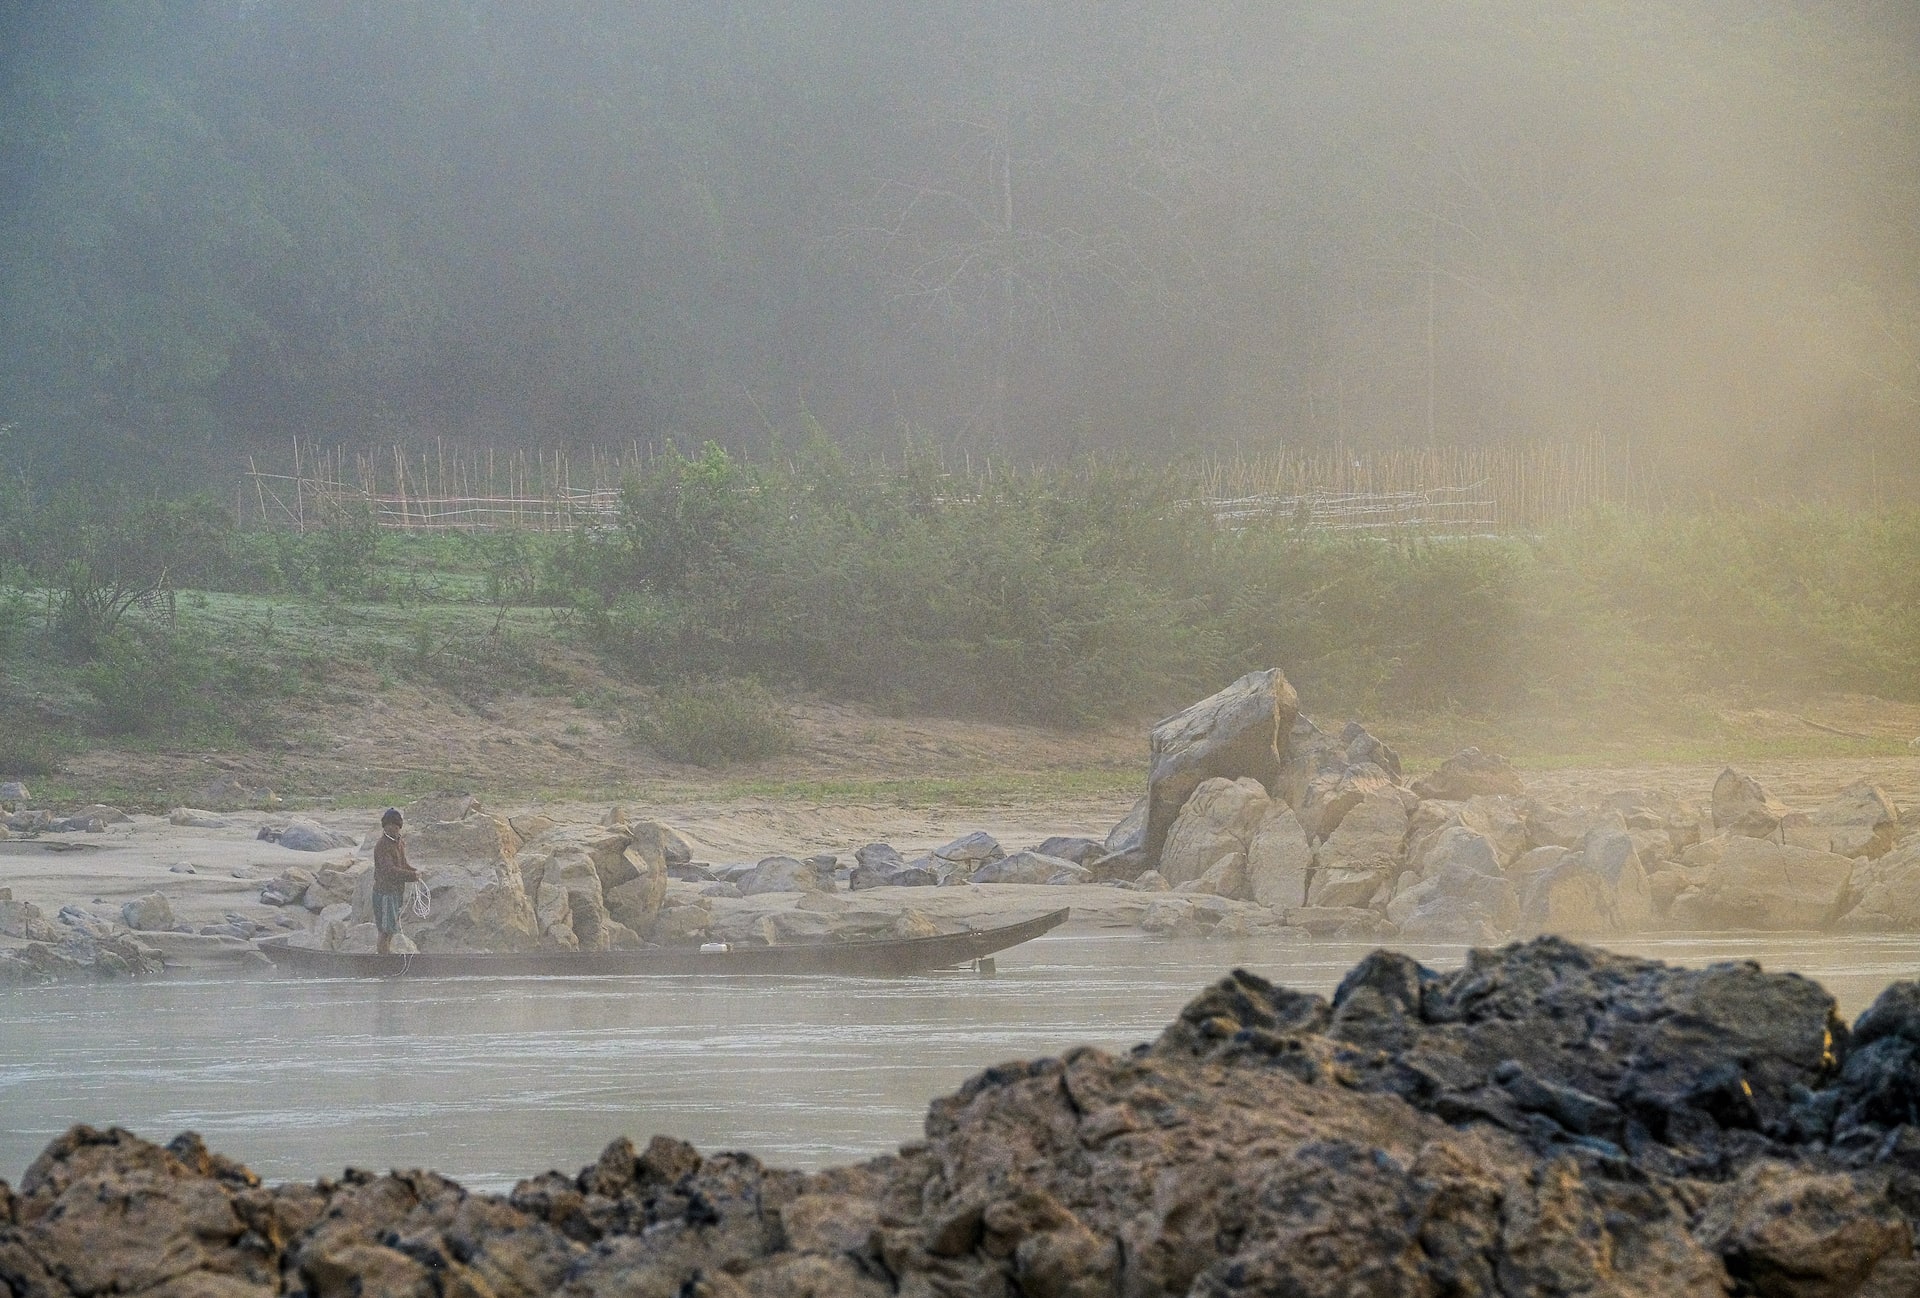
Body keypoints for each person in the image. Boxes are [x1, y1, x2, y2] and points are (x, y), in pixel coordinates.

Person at [372, 807, 421, 955]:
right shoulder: (382, 846)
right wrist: (411, 876)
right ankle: (383, 958)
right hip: (384, 893)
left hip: (396, 892)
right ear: (384, 826)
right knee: (385, 930)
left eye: (396, 826)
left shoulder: (399, 843)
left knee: (391, 927)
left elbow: (403, 865)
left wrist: (415, 872)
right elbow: (390, 871)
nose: (393, 828)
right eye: (389, 826)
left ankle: (386, 955)